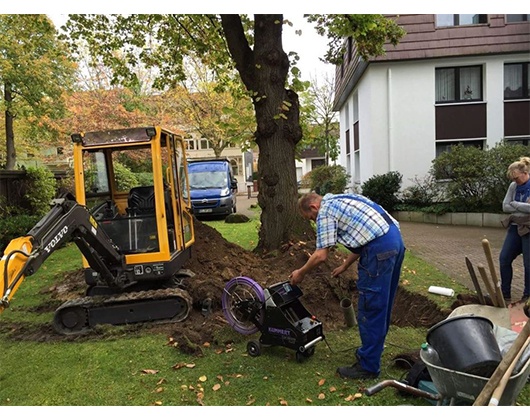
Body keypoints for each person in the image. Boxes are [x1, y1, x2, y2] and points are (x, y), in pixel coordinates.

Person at [289, 192, 405, 380]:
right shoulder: (342, 199)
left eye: (311, 218)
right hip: (395, 242)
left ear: (313, 207)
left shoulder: (325, 212)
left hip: (379, 251)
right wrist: (345, 265)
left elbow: (320, 255)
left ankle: (368, 367)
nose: (313, 221)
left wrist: (300, 273)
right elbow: (366, 235)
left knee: (371, 307)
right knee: (383, 304)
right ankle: (372, 351)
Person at [500, 156, 530, 304]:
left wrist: (515, 204)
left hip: (528, 228)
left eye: (517, 178)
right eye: (513, 179)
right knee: (504, 258)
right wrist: (523, 206)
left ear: (525, 173)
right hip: (514, 227)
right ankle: (505, 294)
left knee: (528, 263)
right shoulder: (513, 186)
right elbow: (505, 206)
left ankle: (527, 296)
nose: (515, 181)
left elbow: (512, 205)